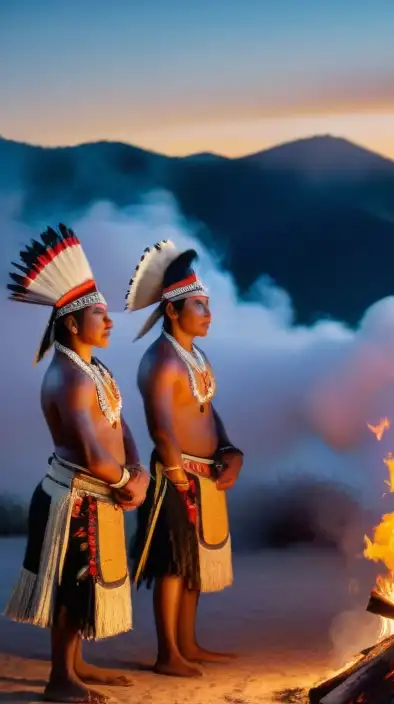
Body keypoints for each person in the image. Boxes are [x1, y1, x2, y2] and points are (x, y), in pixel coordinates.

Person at [4, 224, 150, 703]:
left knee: (83, 583)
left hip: (99, 489)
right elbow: (89, 453)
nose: (109, 323)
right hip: (73, 495)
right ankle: (59, 679)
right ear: (71, 324)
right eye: (99, 316)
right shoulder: (69, 378)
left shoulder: (94, 369)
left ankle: (77, 663)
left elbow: (120, 424)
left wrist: (138, 471)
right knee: (72, 586)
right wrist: (131, 480)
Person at [126, 241, 243, 677]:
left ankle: (188, 643)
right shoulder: (159, 361)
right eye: (199, 306)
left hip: (205, 474)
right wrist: (176, 476)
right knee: (173, 564)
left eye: (208, 305)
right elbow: (160, 426)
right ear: (173, 311)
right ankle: (167, 653)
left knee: (194, 565)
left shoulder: (196, 356)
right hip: (176, 475)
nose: (208, 314)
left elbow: (207, 411)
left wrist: (231, 450)